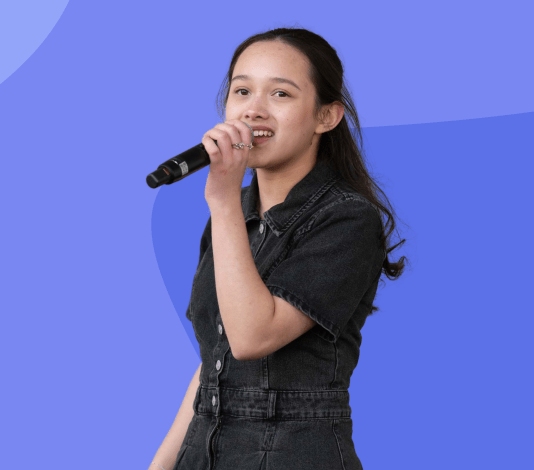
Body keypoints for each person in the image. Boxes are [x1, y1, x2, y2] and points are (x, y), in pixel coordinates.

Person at [150, 26, 407, 470]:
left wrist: (223, 199)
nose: (253, 111)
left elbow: (253, 337)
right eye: (242, 90)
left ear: (326, 117)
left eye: (281, 95)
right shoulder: (232, 217)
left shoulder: (347, 219)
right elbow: (216, 361)